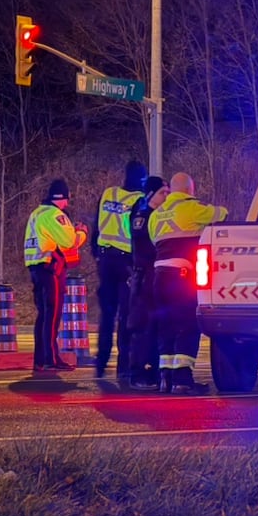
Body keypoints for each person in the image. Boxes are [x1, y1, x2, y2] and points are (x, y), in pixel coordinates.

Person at [148, 172, 228, 394]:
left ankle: (165, 377)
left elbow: (155, 240)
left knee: (166, 325)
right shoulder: (191, 208)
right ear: (189, 190)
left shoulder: (156, 215)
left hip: (159, 275)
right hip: (181, 275)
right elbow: (220, 214)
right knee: (187, 325)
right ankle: (182, 380)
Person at [24, 179, 89, 371]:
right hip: (50, 268)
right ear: (61, 198)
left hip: (36, 267)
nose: (67, 204)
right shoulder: (54, 214)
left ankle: (40, 360)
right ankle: (51, 359)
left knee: (43, 315)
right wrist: (81, 232)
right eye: (66, 200)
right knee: (52, 315)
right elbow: (69, 242)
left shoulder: (36, 213)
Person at [92, 160, 147, 380]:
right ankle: (123, 367)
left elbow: (96, 225)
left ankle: (101, 362)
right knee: (125, 315)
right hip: (125, 263)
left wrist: (96, 253)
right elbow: (137, 235)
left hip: (105, 260)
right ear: (141, 179)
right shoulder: (138, 200)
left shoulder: (109, 194)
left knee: (107, 315)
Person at [125, 175, 168, 390]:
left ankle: (151, 372)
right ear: (151, 194)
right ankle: (137, 373)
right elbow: (146, 246)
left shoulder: (157, 215)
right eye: (163, 192)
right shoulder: (143, 215)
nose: (167, 196)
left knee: (155, 325)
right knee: (142, 326)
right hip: (144, 278)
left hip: (154, 277)